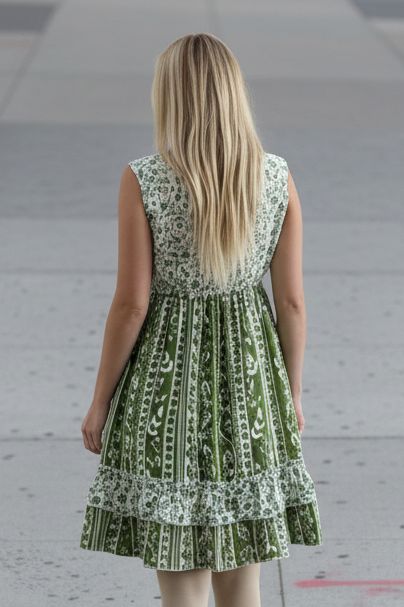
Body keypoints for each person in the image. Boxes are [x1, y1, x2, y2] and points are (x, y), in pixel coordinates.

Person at [79, 32, 323, 607]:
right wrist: (290, 393)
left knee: (180, 576)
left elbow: (131, 304)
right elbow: (291, 302)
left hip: (167, 392)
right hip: (251, 386)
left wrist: (100, 400)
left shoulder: (145, 179)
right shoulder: (275, 177)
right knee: (242, 580)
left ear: (171, 97)